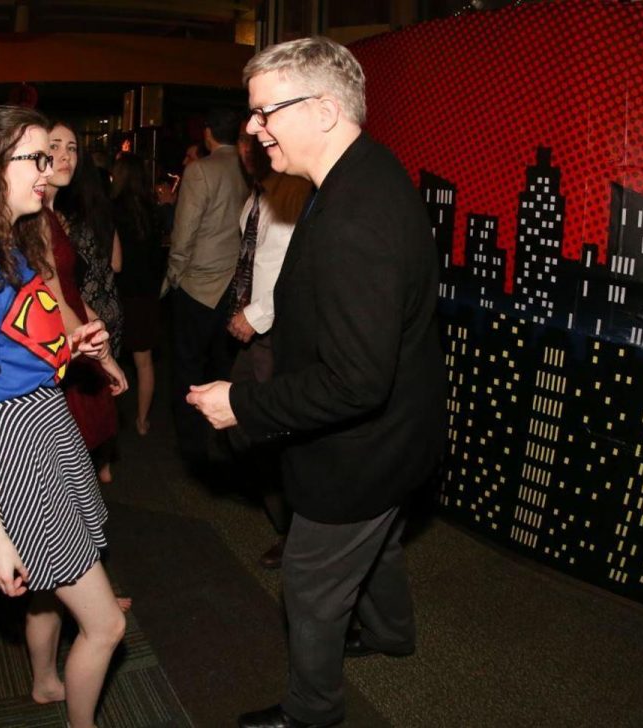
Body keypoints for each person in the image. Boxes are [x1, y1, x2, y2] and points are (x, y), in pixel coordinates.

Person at [188, 37, 447, 728]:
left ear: (326, 110)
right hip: (396, 442)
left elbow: (357, 382)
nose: (251, 128)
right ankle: (391, 633)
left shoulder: (358, 215)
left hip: (363, 449)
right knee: (380, 539)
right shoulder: (359, 177)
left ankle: (314, 715)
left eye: (265, 111)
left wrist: (240, 401)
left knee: (308, 585)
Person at [0, 105, 126, 728]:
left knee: (50, 583)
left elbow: (28, 342)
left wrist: (76, 348)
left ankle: (43, 681)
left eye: (49, 157)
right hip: (15, 444)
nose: (48, 170)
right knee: (107, 624)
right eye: (33, 159)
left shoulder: (12, 242)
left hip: (46, 421)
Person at [227, 123, 311, 569]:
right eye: (243, 141)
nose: (247, 149)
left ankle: (298, 532)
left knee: (276, 433)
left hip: (275, 333)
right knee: (246, 427)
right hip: (249, 331)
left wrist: (256, 315)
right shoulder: (257, 194)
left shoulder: (293, 192)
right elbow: (251, 257)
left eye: (255, 141)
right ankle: (285, 519)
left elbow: (295, 272)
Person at [163, 107, 248, 464]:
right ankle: (229, 443)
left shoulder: (200, 170)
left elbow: (183, 237)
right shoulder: (249, 169)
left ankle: (192, 446)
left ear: (208, 132)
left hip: (198, 287)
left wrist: (172, 280)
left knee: (186, 369)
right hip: (235, 290)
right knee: (225, 369)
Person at [43, 121, 125, 484]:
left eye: (72, 148)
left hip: (74, 341)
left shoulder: (51, 212)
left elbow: (69, 290)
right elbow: (53, 299)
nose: (65, 156)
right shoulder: (36, 217)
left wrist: (98, 328)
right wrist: (103, 356)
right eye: (55, 146)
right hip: (58, 347)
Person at [111, 153, 165, 435]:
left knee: (109, 362)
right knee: (144, 362)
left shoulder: (112, 210)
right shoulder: (152, 210)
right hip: (145, 295)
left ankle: (108, 430)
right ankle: (142, 420)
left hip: (120, 295)